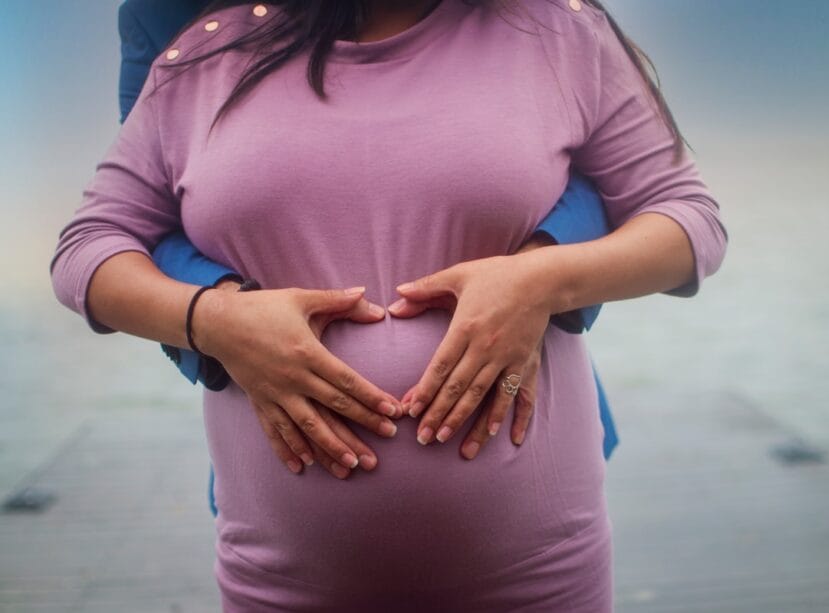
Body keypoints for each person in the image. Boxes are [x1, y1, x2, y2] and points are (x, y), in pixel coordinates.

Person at [51, 0, 728, 609]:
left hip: (540, 566)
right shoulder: (202, 51)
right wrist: (213, 320)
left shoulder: (556, 29)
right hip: (280, 577)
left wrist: (544, 280)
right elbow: (91, 245)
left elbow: (686, 217)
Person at [118, 0, 618, 512]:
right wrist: (223, 312)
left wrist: (535, 274)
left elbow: (599, 174)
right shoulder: (167, 16)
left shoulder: (544, 21)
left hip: (530, 437)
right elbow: (145, 220)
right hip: (277, 480)